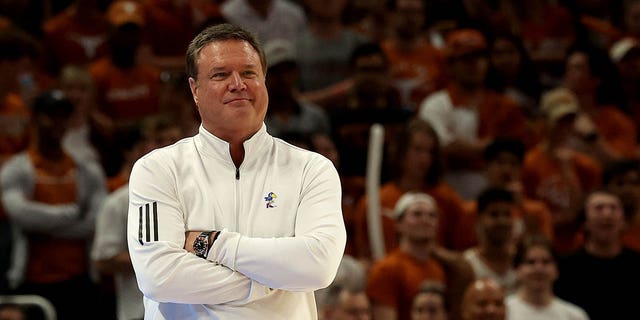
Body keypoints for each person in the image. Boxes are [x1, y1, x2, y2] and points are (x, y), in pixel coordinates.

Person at [126, 23, 346, 319]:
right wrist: (268, 281)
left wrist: (214, 244)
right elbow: (159, 277)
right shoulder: (157, 169)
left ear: (264, 81)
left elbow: (318, 267)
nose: (238, 84)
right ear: (194, 89)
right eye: (220, 74)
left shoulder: (312, 169)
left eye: (249, 73)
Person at [0, 90, 107, 319]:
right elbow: (22, 216)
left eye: (63, 116)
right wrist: (74, 213)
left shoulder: (87, 170)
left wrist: (43, 228)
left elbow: (96, 222)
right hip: (32, 282)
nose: (57, 123)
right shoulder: (16, 169)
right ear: (35, 118)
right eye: (51, 115)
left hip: (80, 280)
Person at [366, 192, 472, 320]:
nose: (425, 220)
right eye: (417, 214)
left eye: (432, 215)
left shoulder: (440, 266)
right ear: (398, 223)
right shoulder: (386, 269)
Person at [554, 189, 640, 320]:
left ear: (623, 221)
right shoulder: (565, 268)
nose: (607, 214)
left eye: (613, 208)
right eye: (599, 208)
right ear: (585, 222)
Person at [506, 235, 589, 320]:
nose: (539, 269)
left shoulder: (574, 316)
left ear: (556, 270)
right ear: (517, 269)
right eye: (530, 262)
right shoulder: (505, 311)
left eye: (546, 262)